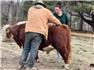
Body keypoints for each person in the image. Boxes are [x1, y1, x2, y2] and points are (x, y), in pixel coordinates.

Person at [18, 1, 61, 70]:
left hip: (28, 31)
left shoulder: (30, 9)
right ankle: (29, 67)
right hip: (38, 33)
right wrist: (59, 23)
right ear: (43, 5)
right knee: (33, 50)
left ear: (36, 5)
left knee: (26, 49)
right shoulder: (46, 11)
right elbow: (54, 20)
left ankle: (21, 65)